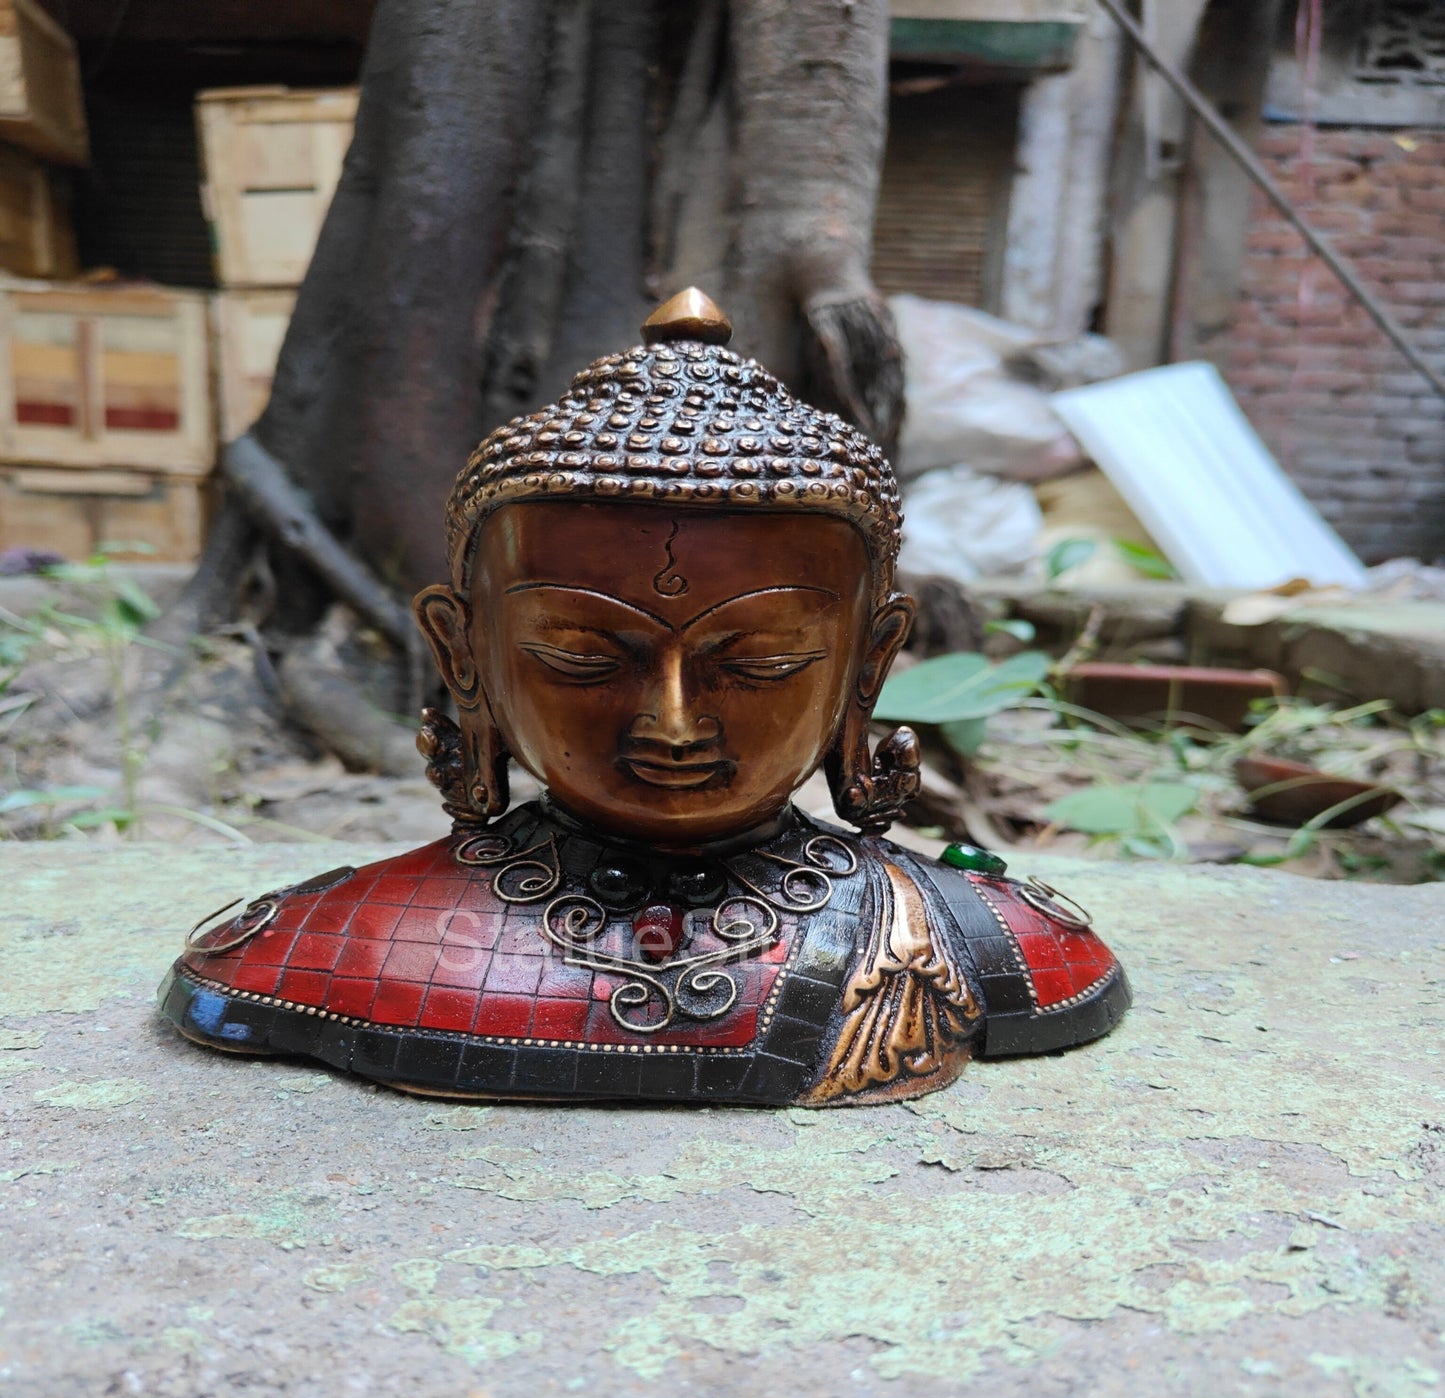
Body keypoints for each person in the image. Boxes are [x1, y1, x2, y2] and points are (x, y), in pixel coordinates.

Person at [158, 290, 1128, 1106]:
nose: (671, 723)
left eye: (760, 662)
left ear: (866, 663)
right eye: (581, 658)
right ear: (463, 653)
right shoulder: (321, 946)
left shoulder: (989, 941)